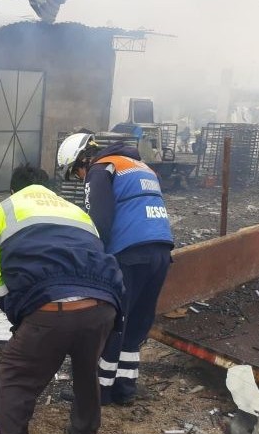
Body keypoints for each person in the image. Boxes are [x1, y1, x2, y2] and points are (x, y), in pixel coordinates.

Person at [0, 163, 124, 434]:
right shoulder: (75, 211)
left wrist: (14, 310)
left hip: (49, 310)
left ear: (13, 190)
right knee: (86, 370)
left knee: (14, 379)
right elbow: (97, 252)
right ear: (49, 189)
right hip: (104, 305)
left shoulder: (6, 209)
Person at [57, 133, 174, 406]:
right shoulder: (140, 166)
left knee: (112, 322)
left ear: (82, 159)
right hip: (161, 251)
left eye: (76, 172)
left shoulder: (100, 170)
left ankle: (98, 391)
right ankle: (125, 389)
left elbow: (99, 221)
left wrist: (90, 263)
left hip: (129, 254)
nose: (80, 178)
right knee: (135, 323)